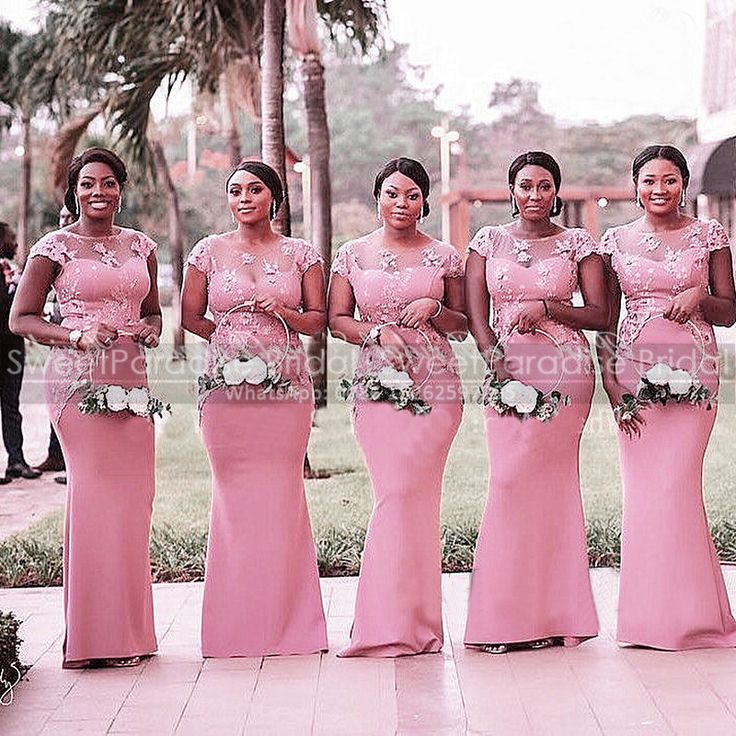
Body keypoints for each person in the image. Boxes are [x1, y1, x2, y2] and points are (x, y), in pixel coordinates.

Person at [10, 147, 161, 668]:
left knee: (133, 502)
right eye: (88, 184)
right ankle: (97, 639)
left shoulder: (142, 246)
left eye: (109, 184)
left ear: (122, 189)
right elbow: (21, 319)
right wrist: (75, 334)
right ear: (73, 192)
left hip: (132, 376)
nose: (99, 193)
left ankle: (131, 634)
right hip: (77, 381)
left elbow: (154, 313)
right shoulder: (53, 248)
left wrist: (150, 330)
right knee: (97, 499)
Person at [181, 160, 327, 657]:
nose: (245, 198)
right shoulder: (206, 252)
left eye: (256, 189)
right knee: (233, 500)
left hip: (286, 390)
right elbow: (190, 318)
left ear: (274, 197)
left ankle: (292, 628)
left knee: (282, 497)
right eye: (236, 190)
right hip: (226, 394)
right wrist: (232, 346)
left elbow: (315, 322)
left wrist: (281, 315)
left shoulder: (302, 255)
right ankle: (233, 629)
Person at [464, 151, 608, 653]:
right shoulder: (487, 241)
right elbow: (475, 313)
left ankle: (556, 616)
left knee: (553, 487)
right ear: (511, 190)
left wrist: (548, 306)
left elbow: (600, 314)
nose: (534, 195)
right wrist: (493, 358)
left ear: (556, 192)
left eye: (544, 187)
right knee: (507, 482)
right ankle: (503, 619)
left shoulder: (578, 245)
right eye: (525, 186)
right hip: (507, 371)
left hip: (566, 372)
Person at [595, 144, 736, 649]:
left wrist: (699, 296)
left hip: (695, 371)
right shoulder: (613, 241)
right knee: (645, 494)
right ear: (635, 185)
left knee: (677, 489)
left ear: (684, 184)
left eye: (670, 180)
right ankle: (646, 621)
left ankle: (695, 618)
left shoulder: (708, 235)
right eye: (649, 180)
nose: (659, 189)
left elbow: (728, 312)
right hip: (635, 377)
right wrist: (611, 383)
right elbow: (605, 320)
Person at [328, 157, 466, 657]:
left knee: (419, 500)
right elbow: (337, 321)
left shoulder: (445, 256)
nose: (401, 204)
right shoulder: (352, 255)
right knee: (394, 495)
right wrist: (376, 331)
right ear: (377, 197)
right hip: (377, 384)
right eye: (392, 193)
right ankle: (383, 626)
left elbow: (463, 324)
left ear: (424, 202)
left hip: (436, 386)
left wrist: (435, 309)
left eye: (411, 195)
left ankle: (420, 627)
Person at [0, 222, 42, 483]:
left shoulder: (12, 270)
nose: (16, 243)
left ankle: (16, 460)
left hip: (12, 349)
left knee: (12, 406)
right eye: (11, 238)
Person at [36, 205, 75, 480]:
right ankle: (57, 456)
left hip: (96, 347)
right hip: (62, 343)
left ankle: (72, 465)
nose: (63, 221)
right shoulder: (52, 252)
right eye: (60, 217)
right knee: (61, 405)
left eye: (67, 217)